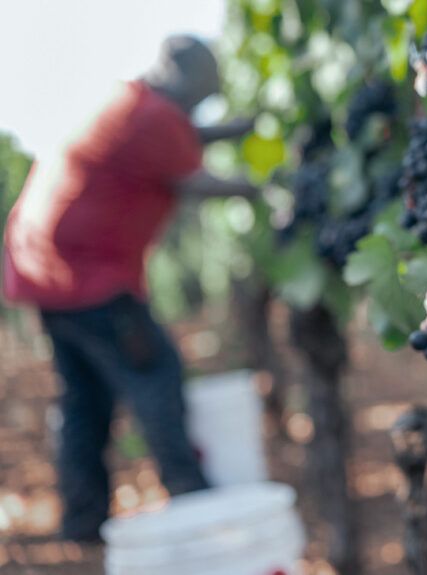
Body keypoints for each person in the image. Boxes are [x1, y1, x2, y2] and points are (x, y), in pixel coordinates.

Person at [1, 35, 259, 542]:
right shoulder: (155, 116)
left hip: (42, 268)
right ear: (180, 75)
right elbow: (193, 181)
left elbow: (184, 139)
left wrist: (237, 130)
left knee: (85, 399)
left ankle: (82, 521)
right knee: (155, 375)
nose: (200, 104)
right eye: (202, 92)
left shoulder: (129, 105)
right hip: (87, 277)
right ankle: (192, 498)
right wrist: (262, 187)